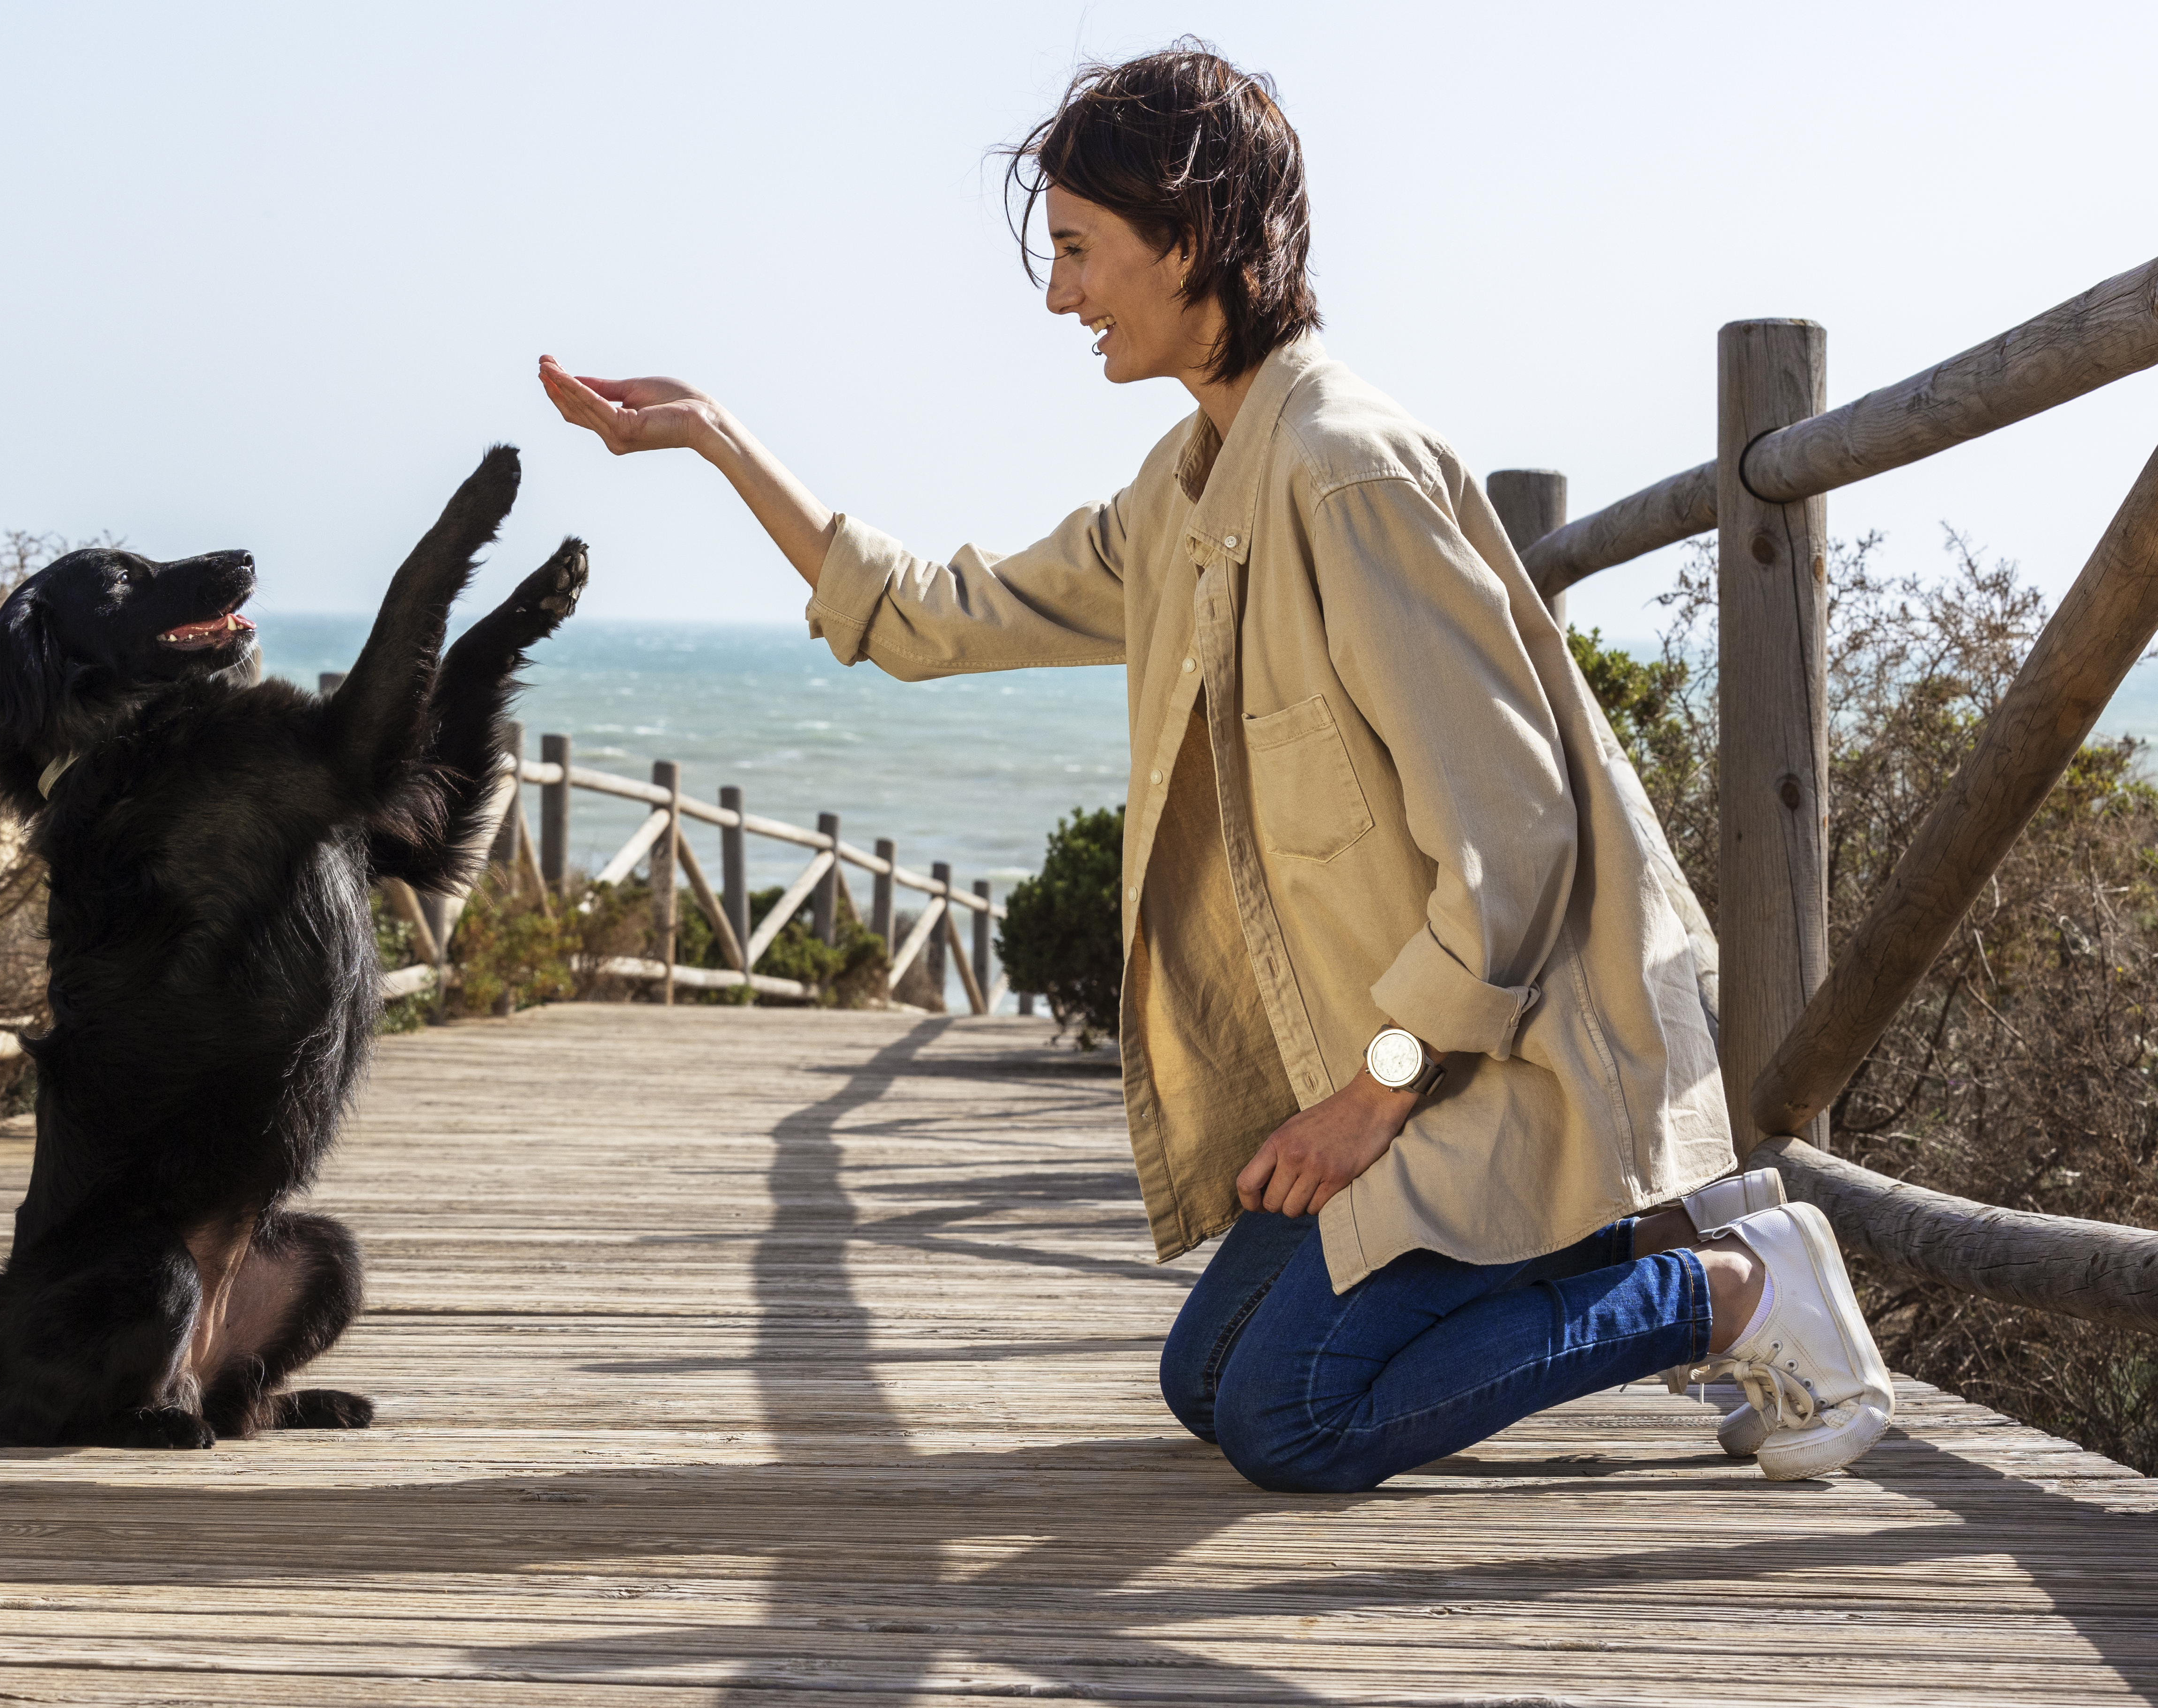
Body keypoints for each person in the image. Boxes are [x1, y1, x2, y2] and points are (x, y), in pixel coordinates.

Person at [540, 43, 1893, 1490]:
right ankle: (1640, 1244)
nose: (1059, 294)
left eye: (1078, 251)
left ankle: (1731, 1289)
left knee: (1288, 1417)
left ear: (1188, 242)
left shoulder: (1346, 470)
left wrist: (1370, 1096)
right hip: (1417, 1077)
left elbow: (1517, 839)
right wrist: (718, 440)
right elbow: (938, 612)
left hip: (1501, 1069)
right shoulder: (1189, 483)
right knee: (1206, 1381)